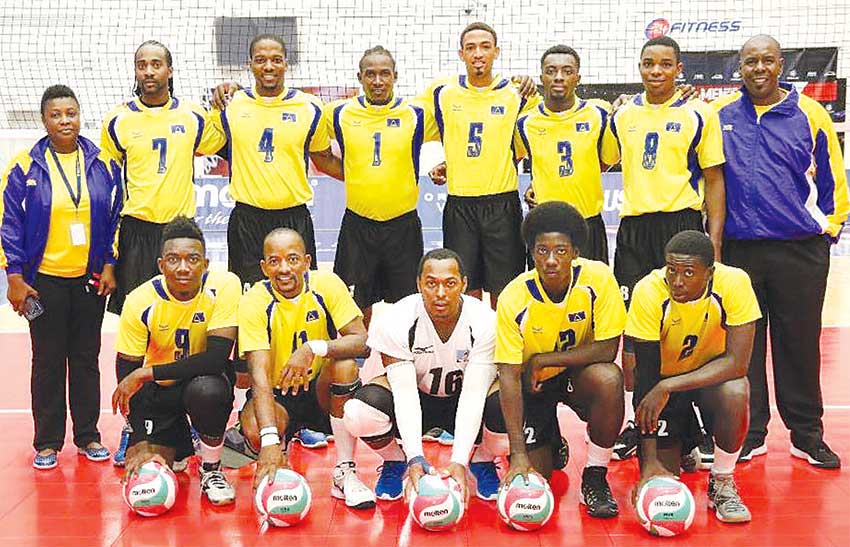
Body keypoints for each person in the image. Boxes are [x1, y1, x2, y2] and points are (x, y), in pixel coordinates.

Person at [713, 35, 848, 468]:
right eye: (750, 61)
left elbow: (833, 180)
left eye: (766, 61)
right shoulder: (720, 115)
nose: (758, 69)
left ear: (781, 64)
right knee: (744, 348)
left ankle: (806, 434)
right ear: (740, 66)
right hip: (740, 253)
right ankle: (750, 434)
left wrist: (826, 228)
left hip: (799, 252)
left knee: (799, 344)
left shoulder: (810, 114)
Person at [101, 41, 226, 465]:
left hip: (181, 236)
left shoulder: (192, 116)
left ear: (170, 70)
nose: (149, 71)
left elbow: (222, 141)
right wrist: (108, 256)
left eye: (157, 64)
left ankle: (186, 417)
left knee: (186, 330)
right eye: (142, 65)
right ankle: (136, 426)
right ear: (135, 71)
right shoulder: (117, 120)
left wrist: (222, 101)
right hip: (136, 232)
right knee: (138, 336)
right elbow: (108, 186)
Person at [610, 36, 726, 461]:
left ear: (679, 69)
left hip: (680, 227)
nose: (656, 71)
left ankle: (693, 426)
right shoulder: (622, 115)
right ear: (639, 67)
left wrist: (712, 242)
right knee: (634, 336)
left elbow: (714, 180)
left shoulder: (700, 113)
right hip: (634, 231)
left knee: (686, 331)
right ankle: (637, 420)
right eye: (648, 64)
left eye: (665, 64)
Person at [0, 85, 121, 470]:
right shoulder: (24, 167)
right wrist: (15, 277)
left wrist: (109, 264)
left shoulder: (103, 163)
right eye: (56, 114)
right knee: (47, 360)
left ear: (79, 115)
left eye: (71, 113)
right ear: (44, 120)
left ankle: (88, 435)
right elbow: (9, 226)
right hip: (42, 284)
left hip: (88, 281)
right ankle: (48, 442)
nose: (65, 120)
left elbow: (117, 217)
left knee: (86, 359)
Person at [342, 248, 504, 503]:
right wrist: (415, 456)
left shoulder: (485, 321)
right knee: (357, 411)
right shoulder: (397, 319)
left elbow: (474, 394)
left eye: (450, 284)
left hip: (464, 397)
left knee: (510, 406)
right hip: (417, 395)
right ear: (419, 284)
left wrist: (458, 460)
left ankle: (481, 459)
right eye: (431, 284)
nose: (440, 293)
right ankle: (396, 460)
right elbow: (405, 393)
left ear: (464, 284)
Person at [496, 202, 626, 518]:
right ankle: (550, 439)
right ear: (531, 252)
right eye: (542, 251)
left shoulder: (598, 279)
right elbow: (509, 376)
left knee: (609, 378)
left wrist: (547, 359)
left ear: (575, 252)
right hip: (532, 384)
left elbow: (608, 349)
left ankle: (595, 476)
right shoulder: (513, 296)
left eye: (560, 250)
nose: (551, 260)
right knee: (538, 475)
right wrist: (516, 455)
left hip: (574, 375)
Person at [236, 228, 375, 509]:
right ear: (264, 267)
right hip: (276, 396)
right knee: (254, 430)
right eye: (274, 261)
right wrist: (269, 441)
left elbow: (362, 341)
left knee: (345, 366)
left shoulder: (326, 284)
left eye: (292, 259)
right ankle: (280, 461)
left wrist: (314, 348)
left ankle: (345, 472)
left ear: (307, 261)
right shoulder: (254, 301)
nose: (284, 268)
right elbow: (258, 376)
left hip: (320, 392)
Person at [628, 230, 759, 523]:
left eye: (688, 272)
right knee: (666, 480)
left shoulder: (734, 283)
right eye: (671, 270)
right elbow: (647, 379)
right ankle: (686, 442)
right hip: (662, 384)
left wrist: (669, 385)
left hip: (707, 380)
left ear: (709, 273)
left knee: (736, 391)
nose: (677, 281)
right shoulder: (649, 291)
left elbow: (738, 363)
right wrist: (647, 466)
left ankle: (722, 482)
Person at [111, 217, 239, 505]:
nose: (183, 268)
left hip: (203, 381)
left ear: (205, 263)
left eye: (192, 259)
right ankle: (180, 441)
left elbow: (216, 358)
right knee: (151, 465)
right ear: (160, 265)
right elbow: (128, 372)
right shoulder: (139, 300)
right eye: (173, 259)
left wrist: (147, 373)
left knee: (208, 390)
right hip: (160, 393)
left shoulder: (225, 285)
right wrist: (140, 437)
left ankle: (211, 469)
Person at [422, 22, 539, 308]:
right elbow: (407, 125)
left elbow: (541, 138)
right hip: (460, 206)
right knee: (465, 288)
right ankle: (471, 349)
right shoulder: (442, 94)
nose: (478, 53)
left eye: (485, 47)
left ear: (496, 52)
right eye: (471, 47)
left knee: (506, 290)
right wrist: (445, 161)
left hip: (502, 204)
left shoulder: (518, 94)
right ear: (461, 54)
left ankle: (503, 349)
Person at [209, 34, 340, 286]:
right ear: (250, 64)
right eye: (261, 60)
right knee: (247, 298)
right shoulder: (231, 105)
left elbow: (323, 157)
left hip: (294, 217)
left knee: (298, 295)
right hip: (246, 220)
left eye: (276, 60)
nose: (268, 66)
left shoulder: (310, 107)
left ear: (286, 64)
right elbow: (203, 145)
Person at [324, 46, 437, 327]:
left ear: (395, 76)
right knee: (354, 306)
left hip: (403, 226)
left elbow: (459, 131)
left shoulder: (417, 114)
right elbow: (314, 148)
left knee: (408, 307)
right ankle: (358, 362)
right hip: (358, 225)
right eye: (370, 74)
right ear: (359, 77)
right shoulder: (338, 114)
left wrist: (448, 166)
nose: (377, 81)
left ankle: (403, 361)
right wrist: (351, 174)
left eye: (384, 74)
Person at [516, 45, 619, 263]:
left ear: (578, 78)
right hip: (544, 226)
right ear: (542, 77)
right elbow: (506, 159)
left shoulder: (599, 113)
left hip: (588, 223)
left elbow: (608, 160)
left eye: (567, 71)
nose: (559, 77)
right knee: (546, 295)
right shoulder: (525, 123)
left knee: (592, 292)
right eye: (551, 71)